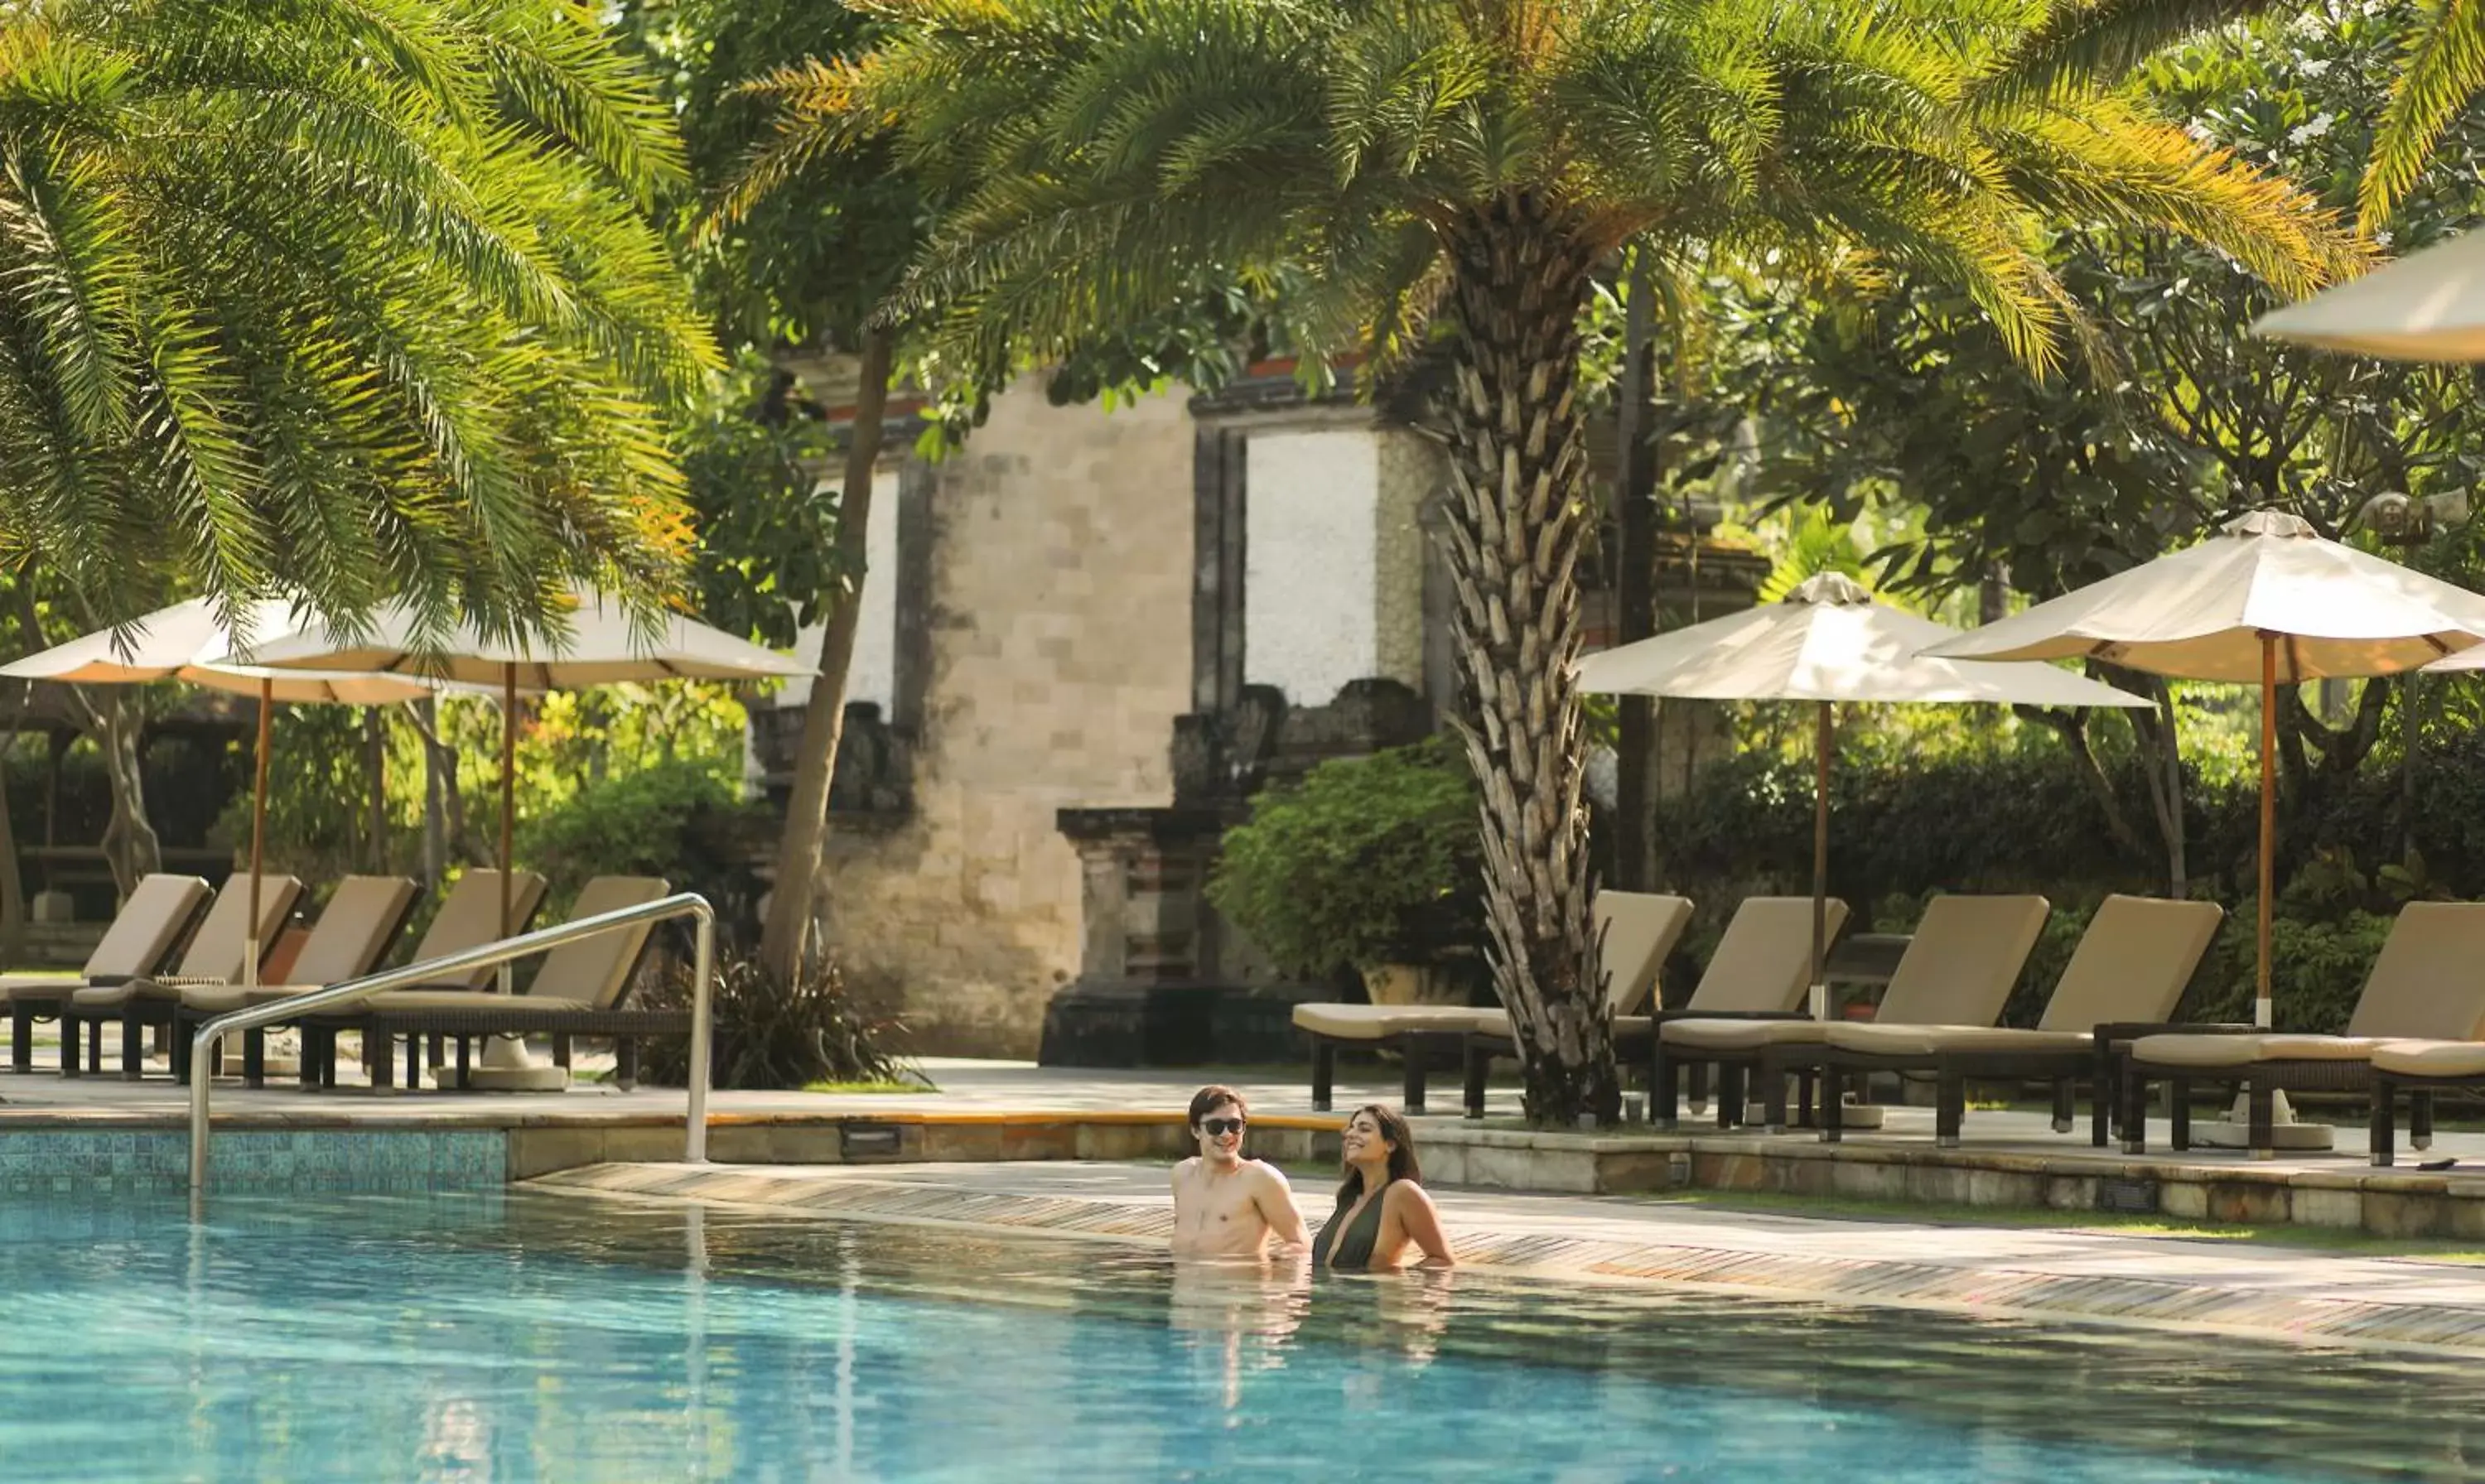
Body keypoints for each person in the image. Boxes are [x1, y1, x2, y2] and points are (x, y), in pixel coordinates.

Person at [1310, 1104, 1454, 1271]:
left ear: (1390, 1144)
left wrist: (1400, 1282)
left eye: (1364, 1129)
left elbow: (1443, 1261)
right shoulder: (1348, 1197)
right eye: (1351, 1129)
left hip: (1368, 1296)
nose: (1350, 1134)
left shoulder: (1403, 1192)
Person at [1171, 1085, 1310, 1258]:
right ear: (1195, 1130)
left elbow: (1301, 1244)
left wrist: (1265, 1265)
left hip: (1237, 1283)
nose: (1227, 1134)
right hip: (1184, 1282)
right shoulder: (1182, 1175)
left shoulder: (1260, 1178)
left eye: (1234, 1125)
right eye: (1216, 1126)